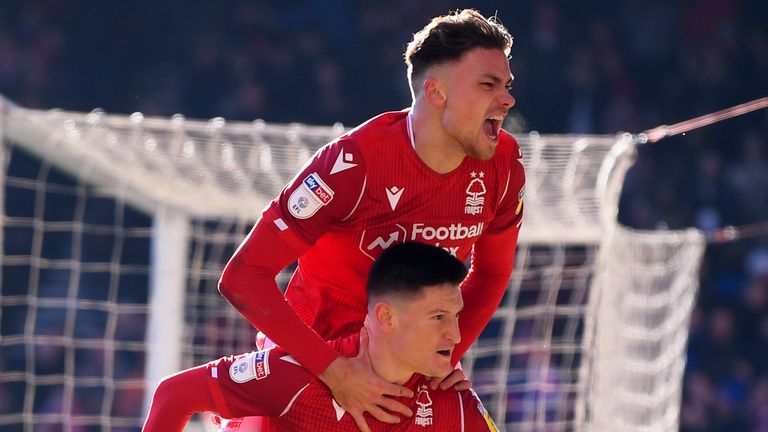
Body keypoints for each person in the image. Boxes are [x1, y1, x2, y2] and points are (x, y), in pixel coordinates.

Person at [217, 8, 524, 431]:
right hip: (309, 375)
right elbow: (243, 276)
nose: (507, 100)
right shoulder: (352, 165)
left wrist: (441, 357)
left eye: (507, 86)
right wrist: (334, 371)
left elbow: (492, 273)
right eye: (488, 85)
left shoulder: (504, 167)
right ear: (436, 92)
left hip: (402, 381)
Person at [143, 243, 501, 431]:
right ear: (385, 317)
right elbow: (173, 394)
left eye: (455, 316)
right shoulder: (297, 375)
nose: (455, 335)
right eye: (438, 317)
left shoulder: (451, 402)